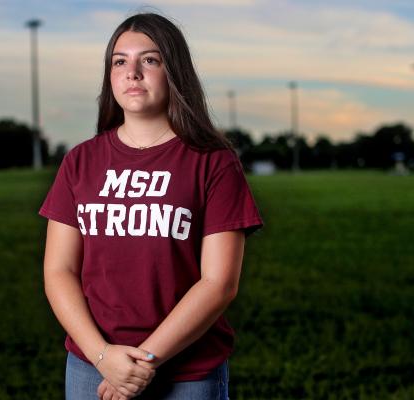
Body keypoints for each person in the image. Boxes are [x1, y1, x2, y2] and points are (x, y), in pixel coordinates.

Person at [39, 12, 263, 400]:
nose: (133, 72)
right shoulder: (81, 161)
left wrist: (143, 363)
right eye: (120, 61)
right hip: (91, 368)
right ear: (109, 76)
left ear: (174, 71)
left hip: (187, 374)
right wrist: (102, 355)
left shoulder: (213, 162)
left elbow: (218, 283)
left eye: (150, 60)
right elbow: (59, 270)